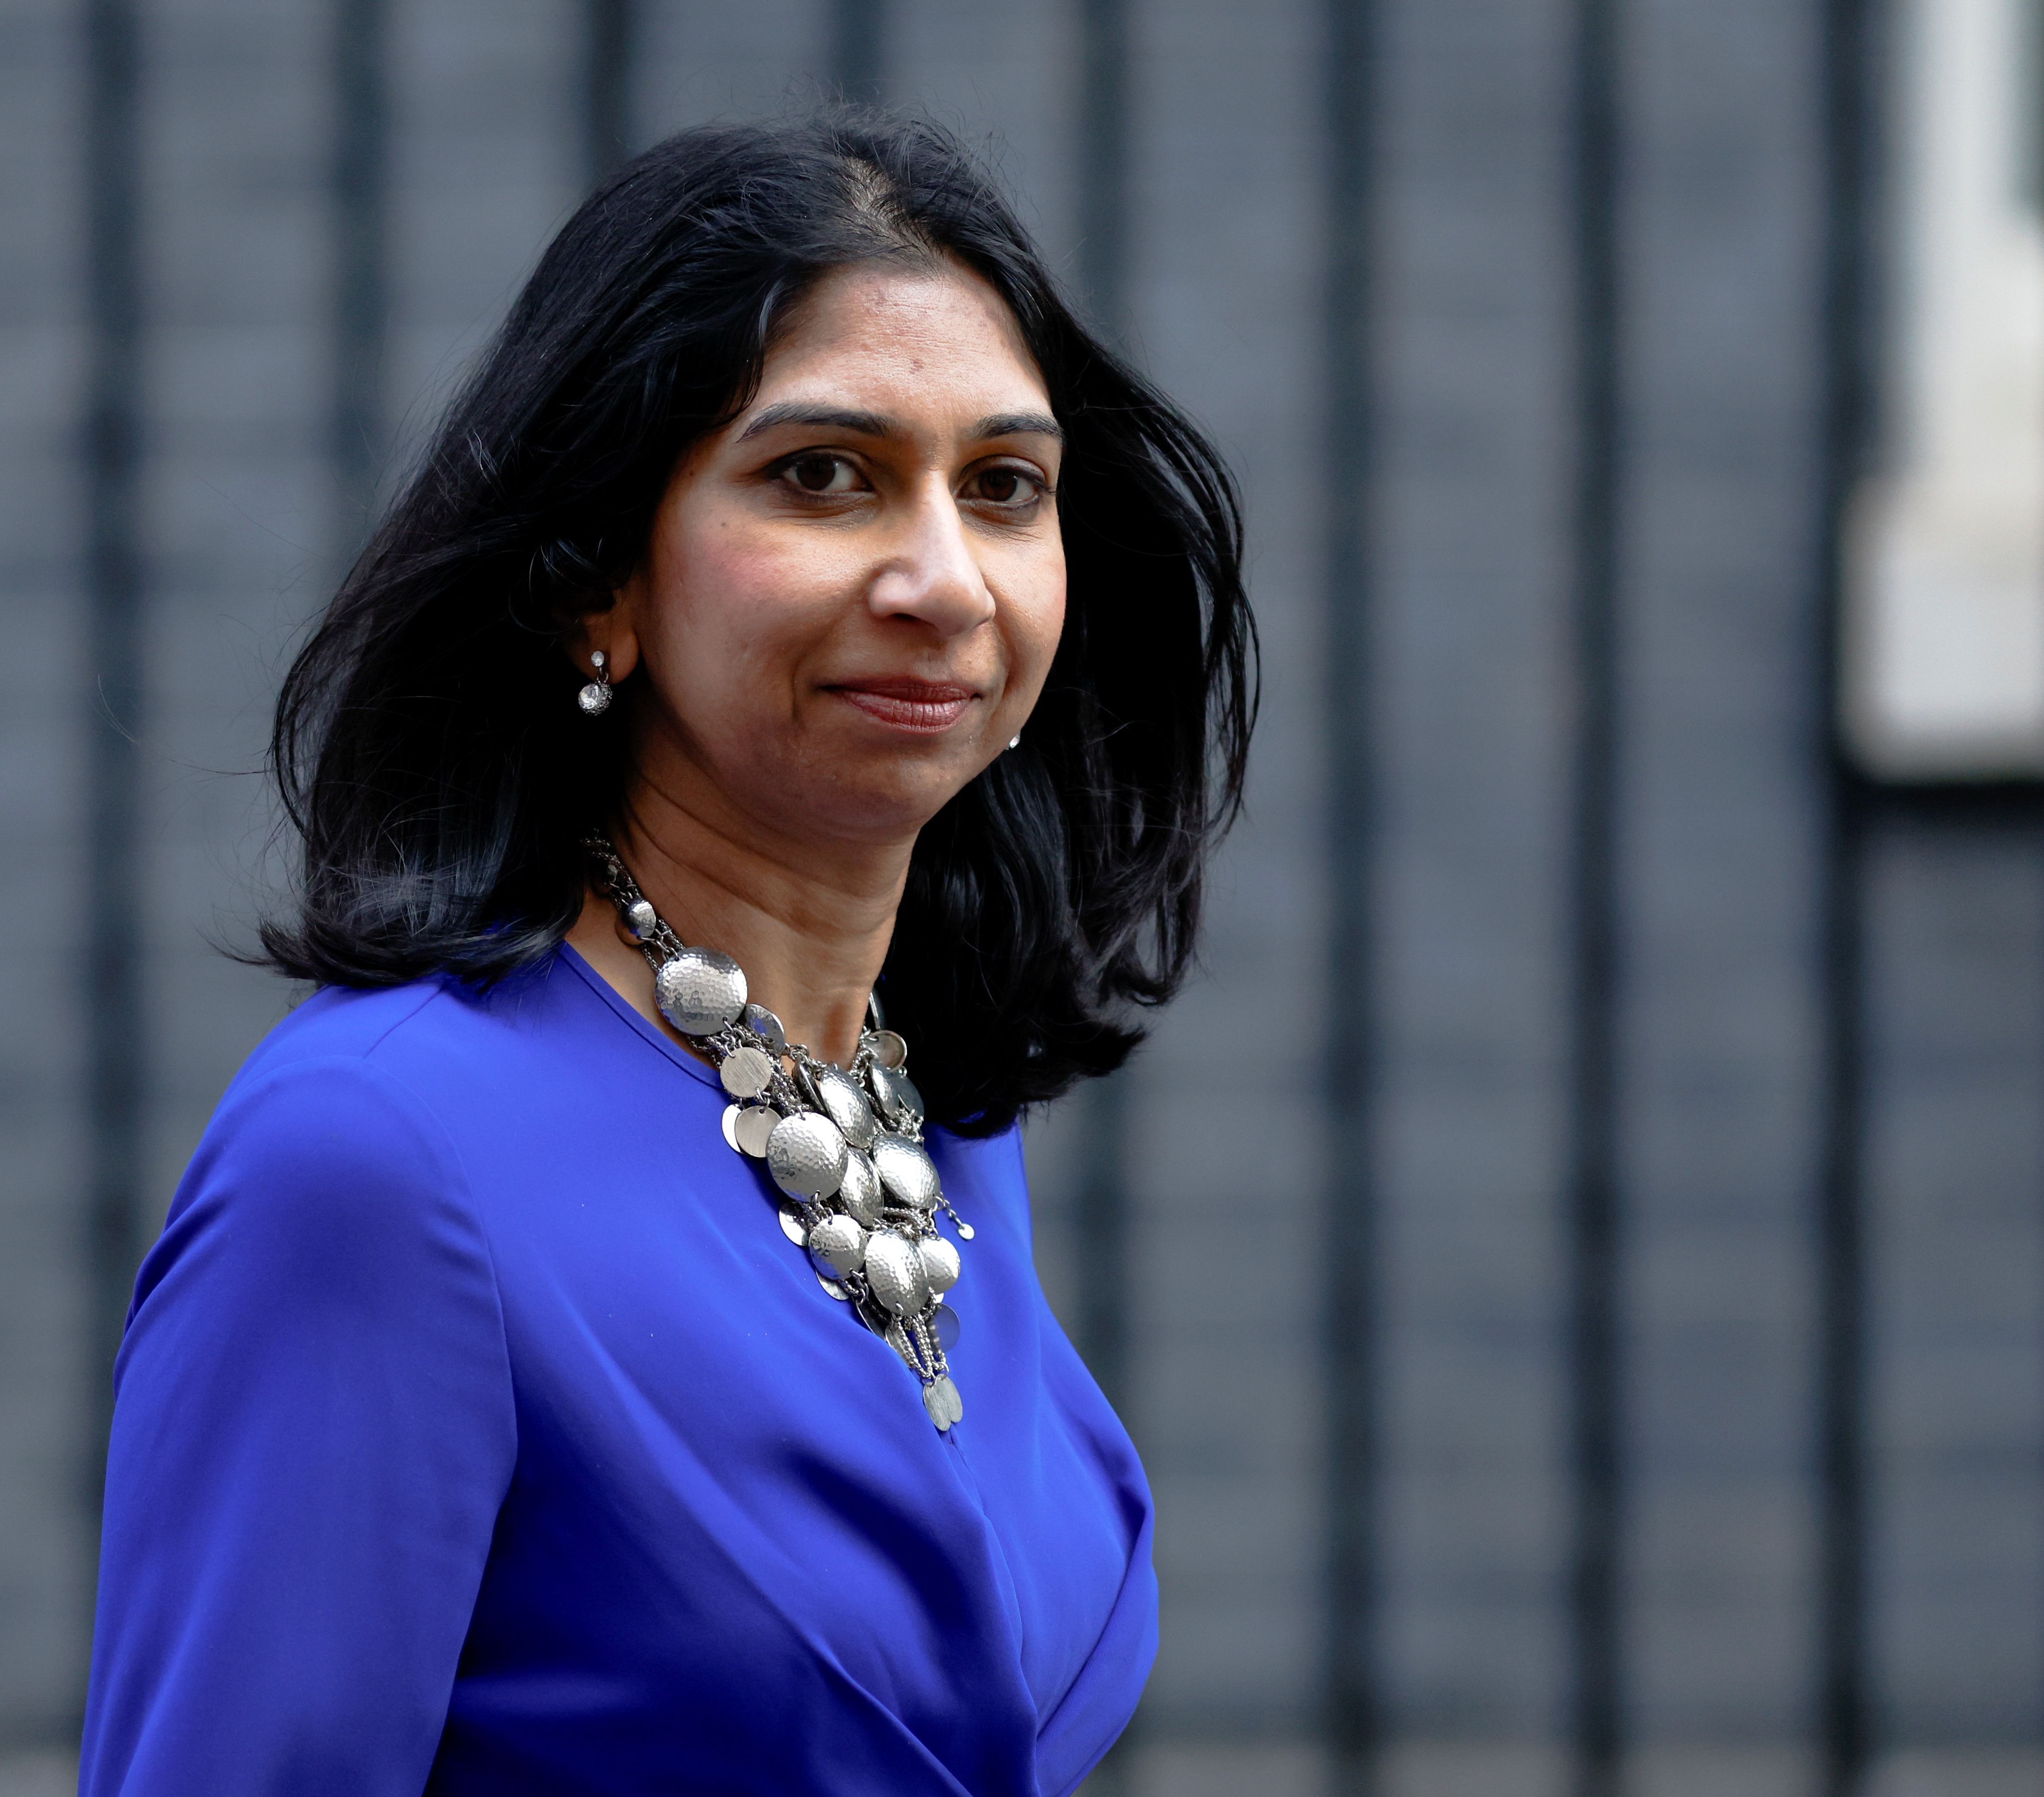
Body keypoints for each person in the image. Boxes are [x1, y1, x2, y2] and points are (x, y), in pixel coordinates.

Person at [79, 109, 1252, 1797]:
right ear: (594, 585)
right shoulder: (377, 1163)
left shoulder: (924, 1112)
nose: (944, 579)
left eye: (1005, 488)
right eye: (823, 475)